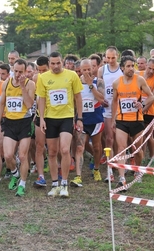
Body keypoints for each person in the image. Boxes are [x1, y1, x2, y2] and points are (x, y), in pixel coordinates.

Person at [37, 52, 83, 198]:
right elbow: (42, 99)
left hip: (66, 117)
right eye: (53, 64)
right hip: (50, 118)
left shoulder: (72, 75)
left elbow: (78, 97)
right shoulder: (43, 77)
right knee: (51, 152)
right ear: (49, 64)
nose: (56, 66)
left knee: (64, 149)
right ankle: (55, 183)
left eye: (58, 63)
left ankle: (64, 183)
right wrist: (42, 118)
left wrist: (79, 118)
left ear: (62, 62)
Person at [112, 55, 154, 190]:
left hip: (137, 120)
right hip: (122, 121)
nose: (131, 69)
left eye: (133, 66)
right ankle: (122, 178)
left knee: (138, 150)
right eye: (128, 66)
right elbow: (114, 101)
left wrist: (143, 105)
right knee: (121, 148)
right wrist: (113, 118)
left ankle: (137, 170)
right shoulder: (117, 83)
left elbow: (151, 96)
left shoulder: (140, 80)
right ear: (122, 68)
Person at [0, 59, 35, 196]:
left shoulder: (30, 84)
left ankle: (22, 184)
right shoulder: (6, 83)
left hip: (24, 122)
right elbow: (1, 104)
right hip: (10, 122)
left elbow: (29, 104)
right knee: (8, 155)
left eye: (20, 72)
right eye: (15, 71)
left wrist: (22, 87)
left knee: (23, 156)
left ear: (25, 71)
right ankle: (15, 173)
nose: (17, 74)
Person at [70, 59, 105, 187]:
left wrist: (91, 85)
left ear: (93, 69)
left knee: (96, 148)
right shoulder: (76, 82)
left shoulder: (99, 81)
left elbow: (101, 99)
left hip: (96, 119)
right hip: (82, 119)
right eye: (84, 70)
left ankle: (96, 169)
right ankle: (78, 176)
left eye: (88, 69)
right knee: (80, 147)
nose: (86, 72)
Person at [98, 46, 123, 182]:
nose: (111, 60)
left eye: (113, 57)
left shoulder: (122, 69)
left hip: (121, 110)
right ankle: (110, 170)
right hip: (107, 109)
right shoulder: (102, 70)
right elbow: (99, 88)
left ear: (117, 56)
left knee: (121, 142)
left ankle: (121, 170)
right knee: (109, 139)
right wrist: (101, 100)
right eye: (108, 57)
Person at [32, 56, 50, 188]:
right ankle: (41, 176)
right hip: (40, 116)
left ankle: (59, 169)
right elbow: (36, 99)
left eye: (44, 70)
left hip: (56, 116)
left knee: (57, 148)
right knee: (39, 146)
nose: (42, 73)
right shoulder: (36, 79)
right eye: (39, 70)